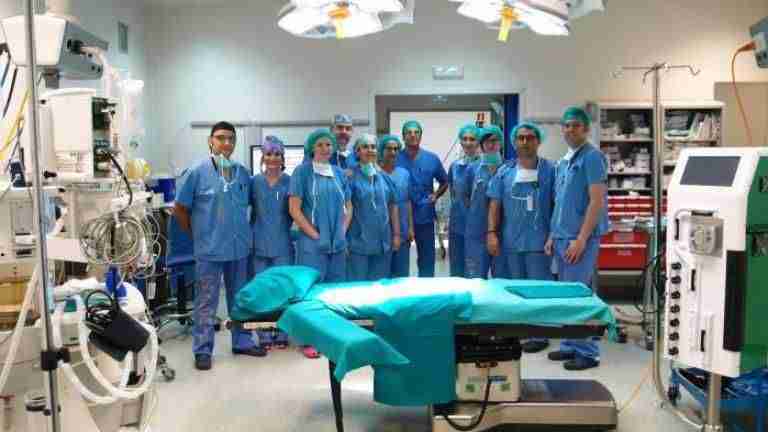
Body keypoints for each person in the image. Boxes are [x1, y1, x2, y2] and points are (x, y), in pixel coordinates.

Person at [174, 121, 266, 371]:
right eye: (221, 138)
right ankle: (203, 350)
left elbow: (252, 205)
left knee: (240, 299)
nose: (226, 143)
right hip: (210, 249)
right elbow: (180, 209)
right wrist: (197, 235)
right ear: (210, 141)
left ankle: (242, 341)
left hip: (239, 249)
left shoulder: (242, 173)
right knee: (207, 301)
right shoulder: (197, 172)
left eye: (231, 139)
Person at [544, 107, 610, 371]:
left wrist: (582, 239)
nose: (570, 130)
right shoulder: (564, 161)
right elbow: (560, 202)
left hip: (579, 238)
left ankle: (588, 352)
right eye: (566, 125)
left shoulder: (592, 157)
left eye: (575, 125)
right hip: (562, 237)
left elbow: (596, 201)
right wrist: (553, 235)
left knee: (578, 295)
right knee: (566, 295)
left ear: (586, 129)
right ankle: (570, 344)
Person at [487, 122, 555, 353]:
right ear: (514, 142)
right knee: (515, 288)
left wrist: (553, 235)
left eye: (530, 138)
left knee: (539, 289)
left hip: (540, 241)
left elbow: (558, 205)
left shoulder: (550, 170)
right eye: (521, 138)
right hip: (511, 241)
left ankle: (539, 334)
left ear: (538, 141)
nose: (525, 142)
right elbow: (494, 205)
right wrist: (491, 233)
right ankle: (518, 330)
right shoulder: (504, 172)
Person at [289, 129, 352, 359]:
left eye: (329, 144)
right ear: (311, 148)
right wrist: (314, 235)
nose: (325, 148)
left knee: (335, 290)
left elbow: (349, 205)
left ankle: (333, 335)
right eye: (320, 145)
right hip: (312, 243)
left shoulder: (339, 173)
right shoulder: (302, 172)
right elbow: (294, 209)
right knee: (310, 291)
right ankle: (307, 339)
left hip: (337, 242)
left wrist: (342, 231)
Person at [251, 135, 292, 349]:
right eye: (269, 154)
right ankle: (264, 332)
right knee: (263, 289)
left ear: (282, 157)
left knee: (282, 289)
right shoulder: (254, 182)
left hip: (283, 242)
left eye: (277, 154)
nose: (273, 158)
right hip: (259, 241)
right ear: (263, 157)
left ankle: (282, 331)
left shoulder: (290, 181)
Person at [396, 120, 449, 277]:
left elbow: (445, 181)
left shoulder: (431, 158)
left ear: (420, 136)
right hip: (400, 217)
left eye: (416, 132)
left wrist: (435, 195)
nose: (413, 135)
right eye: (409, 132)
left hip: (424, 215)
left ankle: (426, 288)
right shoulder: (395, 158)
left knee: (427, 260)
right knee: (400, 261)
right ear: (403, 136)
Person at [346, 134, 400, 281]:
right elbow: (344, 210)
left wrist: (396, 235)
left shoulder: (385, 177)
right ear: (357, 152)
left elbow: (393, 206)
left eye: (373, 147)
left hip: (383, 243)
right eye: (365, 147)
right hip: (358, 243)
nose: (370, 150)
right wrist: (343, 239)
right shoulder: (350, 177)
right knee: (358, 286)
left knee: (379, 286)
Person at [464, 126, 506, 279]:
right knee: (475, 280)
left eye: (494, 140)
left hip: (502, 233)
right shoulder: (472, 170)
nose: (491, 144)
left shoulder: (508, 169)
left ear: (501, 143)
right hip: (476, 232)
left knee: (502, 280)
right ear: (481, 145)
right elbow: (466, 197)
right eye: (486, 141)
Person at [378, 134, 415, 277]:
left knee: (401, 274)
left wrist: (410, 227)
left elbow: (407, 201)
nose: (393, 152)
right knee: (383, 275)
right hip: (382, 232)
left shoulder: (404, 174)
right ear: (381, 151)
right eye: (389, 149)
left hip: (403, 230)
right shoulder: (376, 174)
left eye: (396, 149)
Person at [447, 124, 480, 277]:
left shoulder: (484, 167)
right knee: (456, 269)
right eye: (465, 139)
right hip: (457, 224)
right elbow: (453, 193)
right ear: (460, 141)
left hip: (478, 226)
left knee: (474, 270)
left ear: (478, 142)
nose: (468, 142)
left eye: (472, 139)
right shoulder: (454, 167)